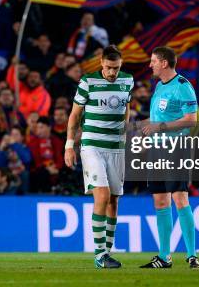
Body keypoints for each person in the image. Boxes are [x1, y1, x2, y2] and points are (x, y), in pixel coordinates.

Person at [65, 45, 133, 269]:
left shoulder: (128, 81)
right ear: (101, 63)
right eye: (109, 68)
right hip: (92, 146)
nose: (112, 73)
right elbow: (75, 115)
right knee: (102, 196)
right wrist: (69, 145)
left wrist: (125, 129)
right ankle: (99, 254)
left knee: (114, 200)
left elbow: (126, 108)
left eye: (116, 68)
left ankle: (107, 252)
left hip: (116, 147)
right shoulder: (87, 82)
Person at [139, 46, 199, 269]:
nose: (150, 65)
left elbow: (191, 119)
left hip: (176, 148)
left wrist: (161, 126)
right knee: (160, 200)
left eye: (153, 61)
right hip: (157, 150)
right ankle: (164, 257)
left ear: (164, 63)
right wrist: (143, 125)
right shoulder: (158, 86)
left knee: (180, 197)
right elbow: (157, 118)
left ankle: (192, 256)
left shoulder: (183, 86)